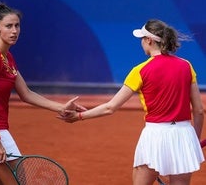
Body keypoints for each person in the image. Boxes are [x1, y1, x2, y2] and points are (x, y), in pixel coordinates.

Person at [61, 19, 205, 185]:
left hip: (155, 135)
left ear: (149, 40)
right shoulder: (187, 66)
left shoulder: (140, 71)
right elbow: (199, 111)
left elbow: (110, 107)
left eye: (142, 39)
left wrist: (79, 116)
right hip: (184, 134)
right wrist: (193, 140)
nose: (141, 43)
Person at [0, 3, 85, 185]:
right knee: (19, 182)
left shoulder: (7, 58)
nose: (14, 31)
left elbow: (26, 93)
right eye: (8, 26)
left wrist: (61, 107)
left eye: (17, 26)